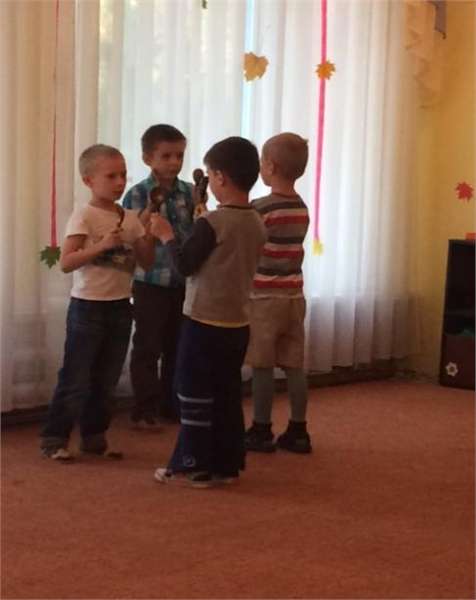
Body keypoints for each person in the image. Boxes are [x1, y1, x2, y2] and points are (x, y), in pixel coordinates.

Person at [150, 136, 267, 488]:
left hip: (203, 321)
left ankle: (194, 465)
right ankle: (226, 465)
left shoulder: (213, 222)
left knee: (194, 393)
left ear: (219, 177)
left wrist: (166, 235)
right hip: (237, 322)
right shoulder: (256, 221)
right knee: (226, 395)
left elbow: (185, 265)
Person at [40, 144, 156, 461]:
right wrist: (101, 246)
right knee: (76, 377)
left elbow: (146, 262)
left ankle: (94, 437)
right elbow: (66, 262)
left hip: (120, 307)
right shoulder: (84, 215)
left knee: (107, 378)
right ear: (89, 180)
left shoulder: (129, 218)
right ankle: (54, 437)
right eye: (111, 176)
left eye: (123, 175)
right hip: (87, 307)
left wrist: (147, 235)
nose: (119, 182)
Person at [122, 124, 197, 428]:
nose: (174, 162)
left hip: (182, 281)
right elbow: (131, 235)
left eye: (179, 155)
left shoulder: (190, 192)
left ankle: (172, 403)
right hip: (149, 282)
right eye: (166, 156)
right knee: (147, 346)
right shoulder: (137, 194)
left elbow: (196, 231)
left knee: (177, 346)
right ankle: (145, 408)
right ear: (147, 158)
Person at [244, 132, 312, 454]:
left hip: (264, 297)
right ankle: (299, 428)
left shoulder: (261, 207)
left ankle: (261, 428)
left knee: (262, 364)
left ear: (270, 166)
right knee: (294, 364)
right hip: (294, 296)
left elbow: (247, 240)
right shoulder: (301, 208)